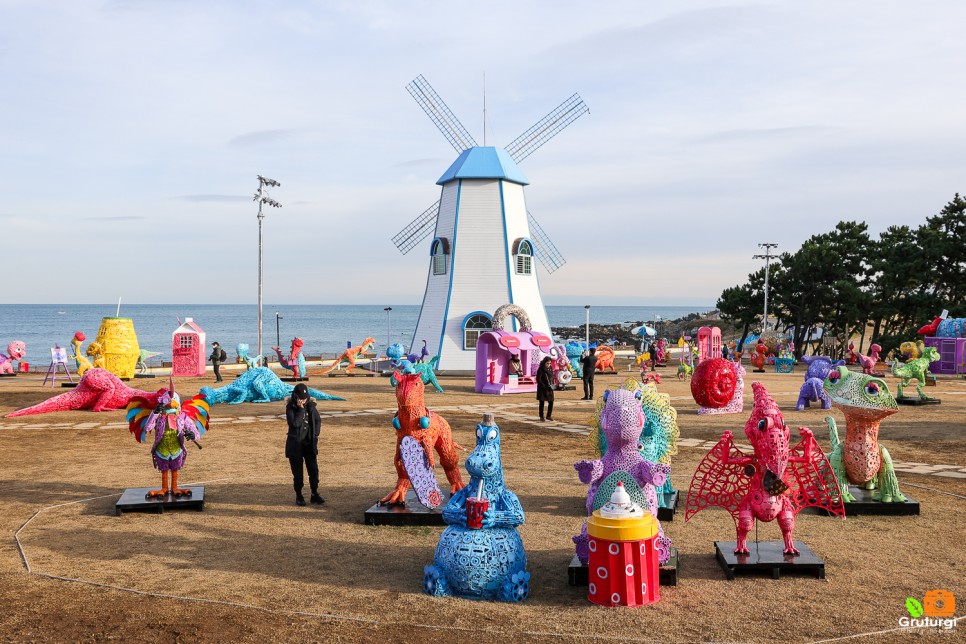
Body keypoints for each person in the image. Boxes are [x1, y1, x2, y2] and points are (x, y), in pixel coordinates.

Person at [285, 383, 324, 506]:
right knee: (298, 473)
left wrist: (316, 433)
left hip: (309, 444)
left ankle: (314, 493)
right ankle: (299, 495)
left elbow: (317, 420)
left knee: (313, 470)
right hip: (295, 445)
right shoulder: (290, 408)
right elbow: (295, 424)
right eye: (300, 398)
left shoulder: (312, 406)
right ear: (295, 396)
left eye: (305, 398)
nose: (303, 400)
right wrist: (301, 409)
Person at [536, 356, 555, 421]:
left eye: (550, 363)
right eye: (547, 363)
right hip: (543, 388)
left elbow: (552, 377)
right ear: (544, 362)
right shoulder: (541, 369)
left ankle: (548, 416)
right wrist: (543, 385)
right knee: (542, 402)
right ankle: (541, 416)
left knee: (551, 401)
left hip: (550, 388)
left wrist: (552, 385)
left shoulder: (550, 368)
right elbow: (538, 378)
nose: (549, 365)